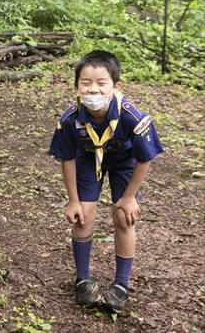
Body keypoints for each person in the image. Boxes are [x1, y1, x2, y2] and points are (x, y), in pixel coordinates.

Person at [48, 50, 164, 313]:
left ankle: (121, 283)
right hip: (88, 158)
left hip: (125, 161)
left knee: (124, 216)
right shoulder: (70, 119)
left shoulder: (132, 117)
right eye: (86, 83)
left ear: (116, 86)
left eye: (102, 83)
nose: (94, 90)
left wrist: (129, 197)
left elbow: (144, 158)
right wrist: (73, 201)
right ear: (76, 86)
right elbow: (66, 158)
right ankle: (83, 279)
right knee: (83, 216)